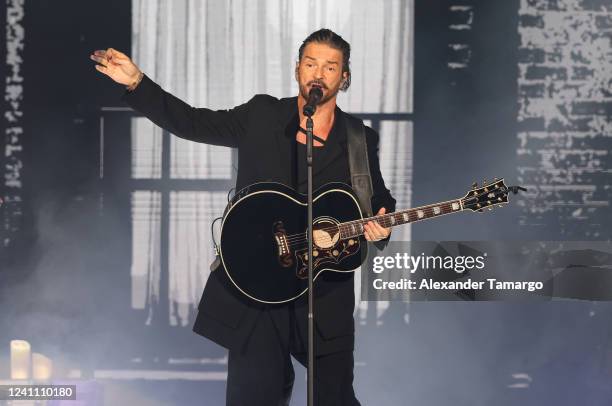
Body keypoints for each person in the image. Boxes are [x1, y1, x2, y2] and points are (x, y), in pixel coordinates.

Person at [91, 28, 395, 406]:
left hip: (322, 293)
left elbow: (378, 202)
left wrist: (380, 227)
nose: (318, 74)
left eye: (330, 67)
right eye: (310, 63)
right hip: (257, 287)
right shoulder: (262, 115)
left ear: (344, 77)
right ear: (297, 69)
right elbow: (193, 122)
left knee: (334, 398)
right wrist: (137, 83)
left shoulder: (358, 138)